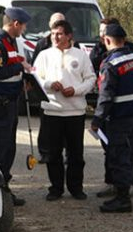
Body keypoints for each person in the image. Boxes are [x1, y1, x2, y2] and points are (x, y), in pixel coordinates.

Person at [34, 20, 96, 201]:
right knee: (53, 154)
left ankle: (76, 188)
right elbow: (36, 76)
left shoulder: (81, 56)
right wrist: (49, 84)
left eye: (59, 34)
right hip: (52, 111)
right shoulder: (44, 55)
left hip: (75, 112)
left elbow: (91, 78)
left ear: (69, 36)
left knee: (76, 154)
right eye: (53, 34)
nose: (55, 37)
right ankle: (56, 188)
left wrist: (76, 90)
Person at [91, 23, 133, 213]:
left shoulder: (111, 65)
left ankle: (122, 199)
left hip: (120, 119)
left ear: (107, 40)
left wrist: (97, 120)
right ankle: (124, 192)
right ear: (124, 40)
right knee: (130, 155)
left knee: (119, 157)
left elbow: (106, 96)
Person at [0, 7, 33, 206]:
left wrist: (23, 78)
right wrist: (20, 67)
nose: (24, 29)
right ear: (15, 24)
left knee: (8, 148)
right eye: (23, 25)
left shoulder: (10, 42)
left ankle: (4, 191)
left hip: (9, 103)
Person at [32, 12, 66, 164]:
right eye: (55, 23)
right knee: (46, 124)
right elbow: (35, 69)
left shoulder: (73, 44)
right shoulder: (42, 44)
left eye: (61, 22)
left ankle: (64, 152)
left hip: (66, 94)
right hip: (47, 92)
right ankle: (45, 152)